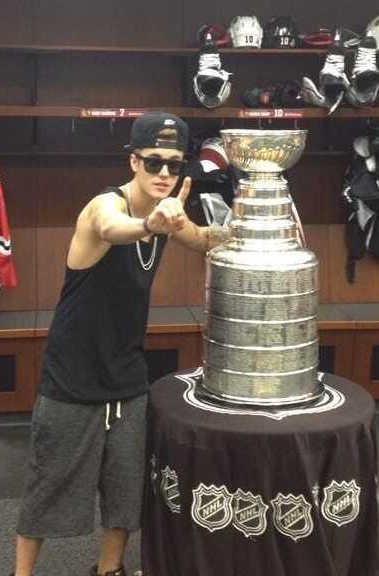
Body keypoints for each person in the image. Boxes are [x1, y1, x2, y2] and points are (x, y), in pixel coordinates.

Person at [13, 111, 231, 576]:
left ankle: (109, 570)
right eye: (154, 162)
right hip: (72, 373)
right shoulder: (103, 206)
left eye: (175, 164)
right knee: (50, 482)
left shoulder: (172, 208)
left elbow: (198, 238)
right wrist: (152, 223)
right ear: (133, 161)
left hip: (127, 372)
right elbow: (115, 229)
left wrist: (251, 231)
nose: (166, 174)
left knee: (126, 487)